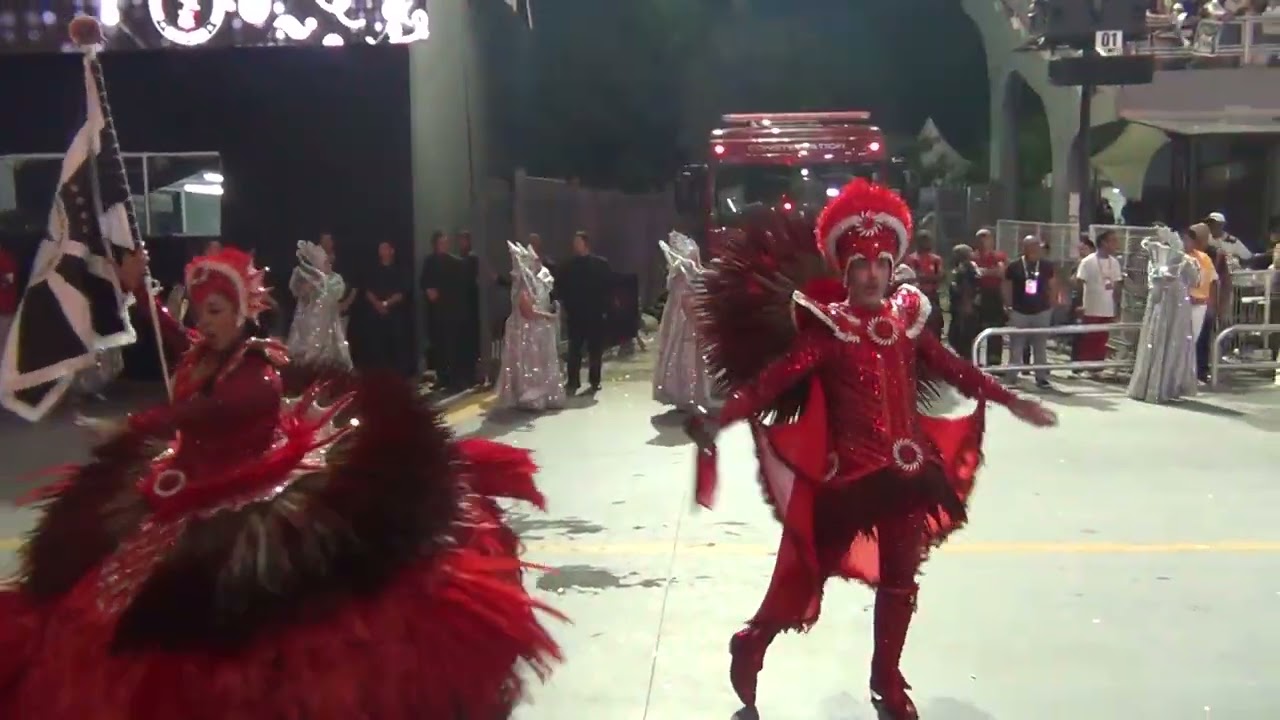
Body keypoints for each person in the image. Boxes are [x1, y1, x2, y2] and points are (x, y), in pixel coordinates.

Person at [0, 245, 563, 719]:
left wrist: (132, 425)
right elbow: (175, 339)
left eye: (218, 310)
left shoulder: (258, 377)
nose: (206, 322)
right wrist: (139, 290)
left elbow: (205, 415)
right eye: (202, 312)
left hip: (251, 483)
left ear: (243, 311)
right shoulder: (205, 352)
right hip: (186, 480)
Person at [687, 179, 1057, 719]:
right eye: (860, 265)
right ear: (844, 270)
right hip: (851, 483)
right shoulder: (827, 330)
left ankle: (886, 679)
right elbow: (769, 384)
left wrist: (1008, 399)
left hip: (910, 474)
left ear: (892, 268)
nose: (871, 275)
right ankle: (755, 640)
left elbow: (953, 366)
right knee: (808, 571)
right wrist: (719, 417)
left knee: (902, 581)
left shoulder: (907, 320)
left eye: (881, 264)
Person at [1127, 228, 1200, 403]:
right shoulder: (1180, 259)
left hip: (1164, 302)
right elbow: (1195, 281)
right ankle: (1165, 386)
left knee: (1159, 339)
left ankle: (1156, 385)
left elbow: (1153, 281)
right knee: (1168, 340)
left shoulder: (1156, 258)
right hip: (1173, 302)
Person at [496, 241, 565, 411]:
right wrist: (550, 316)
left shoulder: (527, 284)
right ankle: (528, 396)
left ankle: (534, 395)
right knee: (528, 364)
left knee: (531, 364)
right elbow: (528, 312)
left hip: (530, 330)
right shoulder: (521, 287)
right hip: (524, 331)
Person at [652, 231, 712, 410]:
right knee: (681, 351)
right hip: (680, 314)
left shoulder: (688, 266)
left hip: (691, 311)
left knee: (695, 354)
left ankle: (696, 393)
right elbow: (675, 285)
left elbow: (699, 275)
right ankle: (683, 393)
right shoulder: (679, 267)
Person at [556, 231, 612, 394]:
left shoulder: (600, 264)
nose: (575, 245)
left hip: (595, 313)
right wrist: (565, 306)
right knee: (575, 349)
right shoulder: (568, 266)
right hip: (575, 314)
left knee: (595, 349)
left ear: (586, 244)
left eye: (578, 242)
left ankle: (595, 381)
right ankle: (573, 381)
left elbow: (608, 288)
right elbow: (561, 287)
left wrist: (605, 309)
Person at [1003, 235, 1059, 388]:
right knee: (1016, 346)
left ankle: (1041, 377)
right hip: (1020, 311)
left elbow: (1053, 284)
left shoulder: (1046, 265)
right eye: (1032, 245)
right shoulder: (1014, 265)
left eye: (1037, 245)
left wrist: (1053, 302)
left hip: (1041, 310)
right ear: (1025, 248)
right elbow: (1007, 285)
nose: (1036, 248)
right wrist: (1008, 305)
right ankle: (1012, 377)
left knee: (1040, 346)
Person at [287, 240, 353, 369]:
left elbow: (337, 294)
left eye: (328, 262)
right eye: (324, 263)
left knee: (326, 348)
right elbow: (297, 292)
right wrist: (307, 289)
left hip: (327, 320)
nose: (328, 265)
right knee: (307, 345)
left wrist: (322, 284)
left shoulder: (335, 279)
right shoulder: (306, 277)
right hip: (308, 320)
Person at [420, 231, 465, 391]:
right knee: (438, 345)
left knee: (452, 345)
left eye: (446, 243)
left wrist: (442, 292)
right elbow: (424, 281)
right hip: (435, 311)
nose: (443, 245)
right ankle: (442, 377)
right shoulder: (429, 261)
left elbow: (459, 287)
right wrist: (429, 290)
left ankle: (455, 379)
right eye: (441, 243)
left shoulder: (456, 263)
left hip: (451, 310)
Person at [1074, 229, 1124, 365]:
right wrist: (1079, 304)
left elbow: (1117, 286)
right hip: (1091, 306)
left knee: (1102, 339)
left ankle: (1098, 366)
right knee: (1089, 338)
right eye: (1112, 241)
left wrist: (1117, 307)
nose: (1116, 244)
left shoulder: (1114, 262)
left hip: (1107, 307)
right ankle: (1086, 365)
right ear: (1103, 242)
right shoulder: (1087, 261)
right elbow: (1079, 283)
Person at [364, 241, 412, 376]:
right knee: (379, 348)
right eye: (380, 249)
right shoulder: (373, 270)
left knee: (397, 348)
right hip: (376, 316)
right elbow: (367, 291)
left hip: (396, 315)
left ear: (392, 251)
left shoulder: (401, 269)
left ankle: (399, 378)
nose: (382, 252)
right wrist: (377, 304)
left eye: (385, 248)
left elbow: (402, 293)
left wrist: (386, 304)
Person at [902, 231, 944, 337]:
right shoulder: (912, 259)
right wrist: (929, 278)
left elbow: (941, 276)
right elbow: (911, 277)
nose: (926, 243)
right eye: (923, 240)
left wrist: (923, 278)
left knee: (935, 325)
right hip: (918, 296)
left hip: (933, 296)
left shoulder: (935, 259)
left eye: (928, 240)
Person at [947, 244, 981, 359]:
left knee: (960, 338)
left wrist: (966, 305)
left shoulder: (965, 267)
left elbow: (967, 287)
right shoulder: (971, 266)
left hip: (964, 308)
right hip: (963, 307)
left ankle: (966, 364)